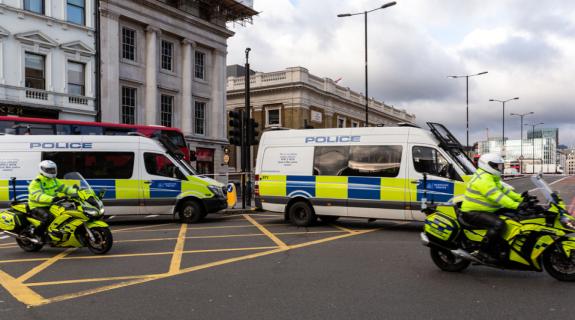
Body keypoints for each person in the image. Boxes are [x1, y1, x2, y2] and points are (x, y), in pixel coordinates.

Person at [460, 153, 525, 263]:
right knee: (499, 224)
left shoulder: (490, 177)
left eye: (499, 166)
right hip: (472, 212)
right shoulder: (483, 179)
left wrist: (521, 198)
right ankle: (483, 252)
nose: (499, 168)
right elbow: (498, 196)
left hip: (485, 210)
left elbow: (504, 191)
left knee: (512, 216)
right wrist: (516, 205)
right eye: (496, 166)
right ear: (487, 165)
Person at [28, 160, 77, 240]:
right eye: (49, 170)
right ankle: (37, 234)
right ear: (42, 170)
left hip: (52, 204)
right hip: (37, 206)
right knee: (48, 217)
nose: (52, 171)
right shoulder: (36, 182)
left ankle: (59, 233)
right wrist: (53, 199)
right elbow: (38, 196)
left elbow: (65, 188)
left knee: (66, 214)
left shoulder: (54, 180)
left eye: (53, 169)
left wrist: (77, 192)